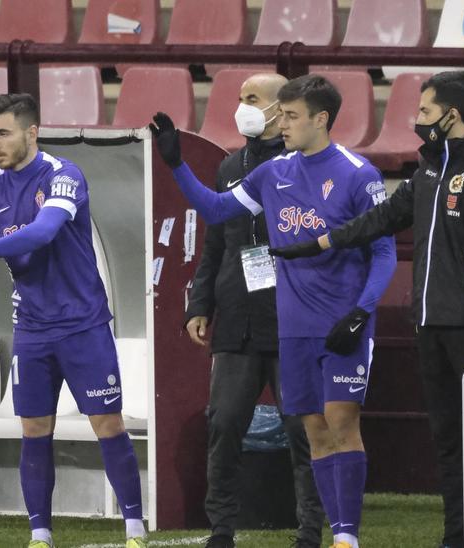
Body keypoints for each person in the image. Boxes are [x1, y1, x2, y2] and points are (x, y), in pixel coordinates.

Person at [269, 71, 464, 548]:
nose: (417, 120)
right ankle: (457, 537)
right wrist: (319, 243)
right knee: (448, 440)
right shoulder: (428, 169)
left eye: (426, 112)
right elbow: (378, 220)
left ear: (452, 115)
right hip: (430, 324)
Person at [152, 74, 397, 548]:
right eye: (280, 114)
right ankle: (317, 532)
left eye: (290, 115)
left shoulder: (358, 173)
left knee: (339, 425)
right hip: (291, 328)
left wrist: (363, 311)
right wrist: (177, 165)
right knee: (308, 429)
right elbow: (217, 211)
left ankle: (342, 535)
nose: (281, 123)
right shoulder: (270, 172)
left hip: (341, 323)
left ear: (319, 119)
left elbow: (384, 253)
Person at [0, 93, 147, 548]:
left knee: (108, 424)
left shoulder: (64, 176)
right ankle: (40, 534)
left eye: (3, 133)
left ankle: (135, 529)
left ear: (32, 132)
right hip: (32, 330)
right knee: (35, 429)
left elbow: (42, 233)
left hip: (83, 324)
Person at [184, 73, 324, 548]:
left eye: (251, 99)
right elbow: (214, 243)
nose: (241, 107)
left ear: (280, 107)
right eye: (239, 97)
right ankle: (221, 529)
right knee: (223, 425)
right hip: (237, 320)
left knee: (304, 431)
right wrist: (200, 303)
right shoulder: (230, 166)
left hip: (292, 321)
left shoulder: (305, 166)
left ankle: (309, 531)